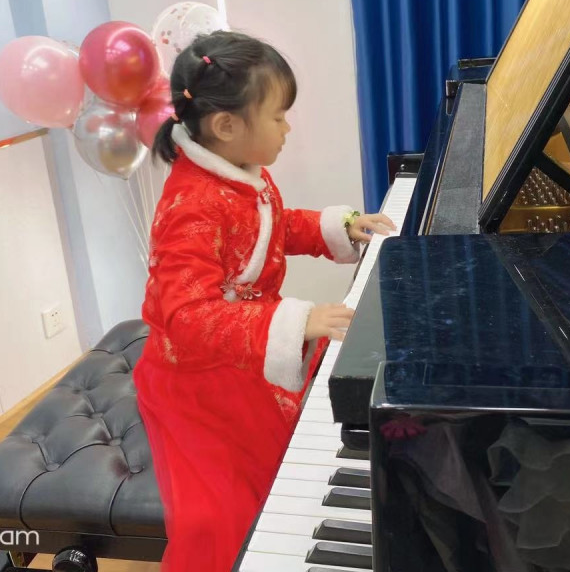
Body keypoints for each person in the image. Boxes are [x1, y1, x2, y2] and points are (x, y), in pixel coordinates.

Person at [133, 30, 394, 572]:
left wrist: (335, 227)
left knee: (274, 487)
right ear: (226, 127)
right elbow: (186, 319)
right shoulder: (191, 205)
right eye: (278, 117)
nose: (287, 128)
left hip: (239, 359)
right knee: (223, 520)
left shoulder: (243, 178)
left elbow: (271, 229)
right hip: (195, 388)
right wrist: (299, 320)